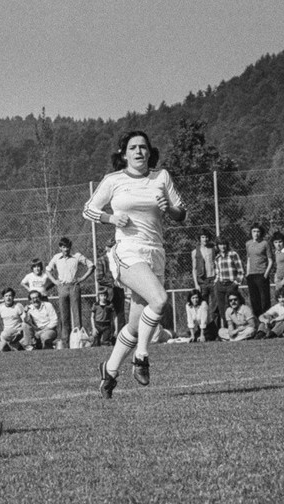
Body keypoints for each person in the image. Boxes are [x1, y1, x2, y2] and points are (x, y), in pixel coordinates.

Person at [83, 130, 186, 398]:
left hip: (156, 252)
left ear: (150, 152)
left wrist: (169, 209)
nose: (139, 151)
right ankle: (141, 357)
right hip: (127, 251)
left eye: (143, 147)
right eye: (133, 147)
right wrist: (110, 219)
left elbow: (180, 213)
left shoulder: (160, 177)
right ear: (123, 153)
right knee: (160, 300)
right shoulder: (113, 180)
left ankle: (110, 370)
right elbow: (89, 209)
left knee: (135, 323)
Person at [45, 237, 95, 346]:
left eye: (67, 247)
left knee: (76, 314)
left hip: (74, 286)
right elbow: (48, 270)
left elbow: (91, 266)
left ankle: (78, 341)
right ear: (60, 248)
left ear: (70, 247)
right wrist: (55, 281)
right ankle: (65, 342)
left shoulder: (76, 256)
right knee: (64, 315)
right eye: (63, 247)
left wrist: (82, 279)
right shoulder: (56, 258)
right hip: (62, 287)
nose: (66, 249)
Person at [213, 237, 244, 331]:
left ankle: (238, 328)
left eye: (224, 244)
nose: (223, 246)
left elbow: (241, 271)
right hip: (220, 285)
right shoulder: (217, 257)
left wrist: (236, 283)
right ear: (217, 246)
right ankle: (228, 330)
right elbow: (218, 272)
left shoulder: (233, 254)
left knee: (231, 308)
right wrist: (216, 282)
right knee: (222, 311)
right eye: (220, 244)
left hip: (231, 285)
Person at [96, 240, 126, 333]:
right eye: (109, 247)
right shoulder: (101, 260)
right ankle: (108, 336)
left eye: (113, 247)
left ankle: (121, 335)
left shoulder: (119, 260)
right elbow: (99, 278)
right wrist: (112, 283)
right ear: (106, 248)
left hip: (119, 289)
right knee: (107, 314)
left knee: (120, 313)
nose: (110, 249)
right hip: (107, 291)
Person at [244, 223, 273, 318]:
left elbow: (270, 260)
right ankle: (257, 320)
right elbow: (248, 259)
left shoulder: (265, 243)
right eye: (254, 231)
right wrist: (247, 273)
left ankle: (267, 321)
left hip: (262, 275)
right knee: (254, 300)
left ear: (261, 233)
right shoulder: (248, 244)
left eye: (258, 231)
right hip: (251, 276)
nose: (256, 234)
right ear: (251, 232)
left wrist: (266, 274)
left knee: (264, 300)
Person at [192, 230, 218, 324]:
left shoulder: (213, 249)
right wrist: (196, 284)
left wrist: (217, 278)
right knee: (203, 306)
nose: (205, 239)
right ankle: (203, 328)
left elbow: (217, 263)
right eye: (203, 237)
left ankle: (216, 329)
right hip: (202, 282)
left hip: (213, 280)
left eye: (206, 237)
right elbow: (194, 269)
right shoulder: (195, 252)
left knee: (215, 306)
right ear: (199, 238)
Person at [0, 288, 25, 352]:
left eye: (10, 296)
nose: (8, 298)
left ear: (13, 297)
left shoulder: (18, 306)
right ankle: (15, 346)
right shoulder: (0, 307)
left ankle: (13, 345)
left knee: (4, 334)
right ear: (3, 298)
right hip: (6, 333)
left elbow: (24, 320)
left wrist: (21, 330)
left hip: (17, 331)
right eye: (6, 296)